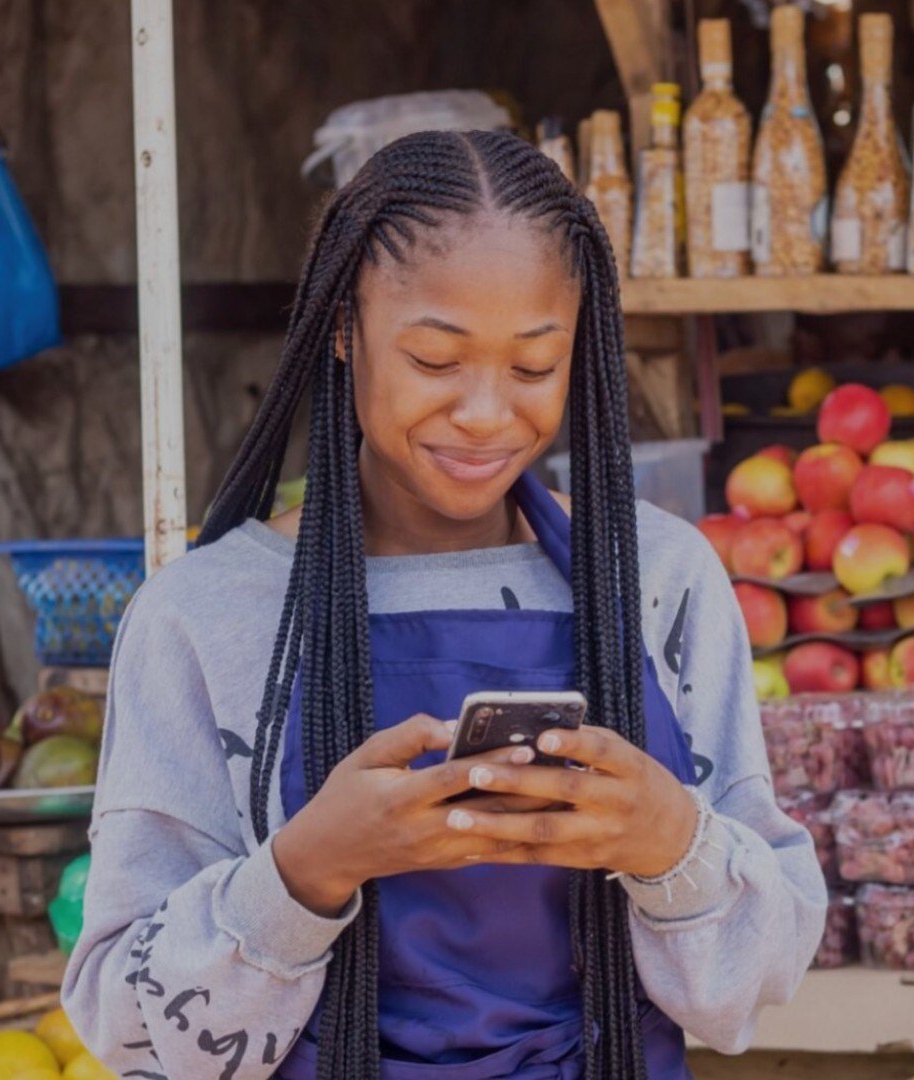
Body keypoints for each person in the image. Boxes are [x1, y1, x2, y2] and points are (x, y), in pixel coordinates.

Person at [61, 129, 826, 1080]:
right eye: (434, 360)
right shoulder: (205, 615)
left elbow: (756, 980)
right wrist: (306, 872)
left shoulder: (658, 578)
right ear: (343, 328)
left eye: (535, 367)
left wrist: (669, 842)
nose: (485, 412)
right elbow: (120, 1021)